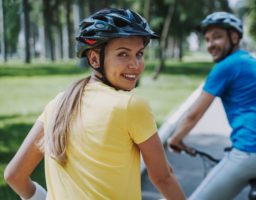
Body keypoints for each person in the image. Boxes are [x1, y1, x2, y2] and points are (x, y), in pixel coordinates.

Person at [4, 8, 185, 200]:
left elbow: (14, 175)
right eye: (123, 54)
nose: (135, 64)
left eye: (139, 54)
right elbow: (163, 177)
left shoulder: (57, 103)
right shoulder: (130, 106)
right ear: (93, 58)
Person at [168, 11, 256, 200]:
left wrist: (175, 139)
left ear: (234, 37)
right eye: (207, 39)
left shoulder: (226, 66)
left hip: (250, 152)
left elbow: (194, 114)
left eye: (217, 37)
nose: (211, 45)